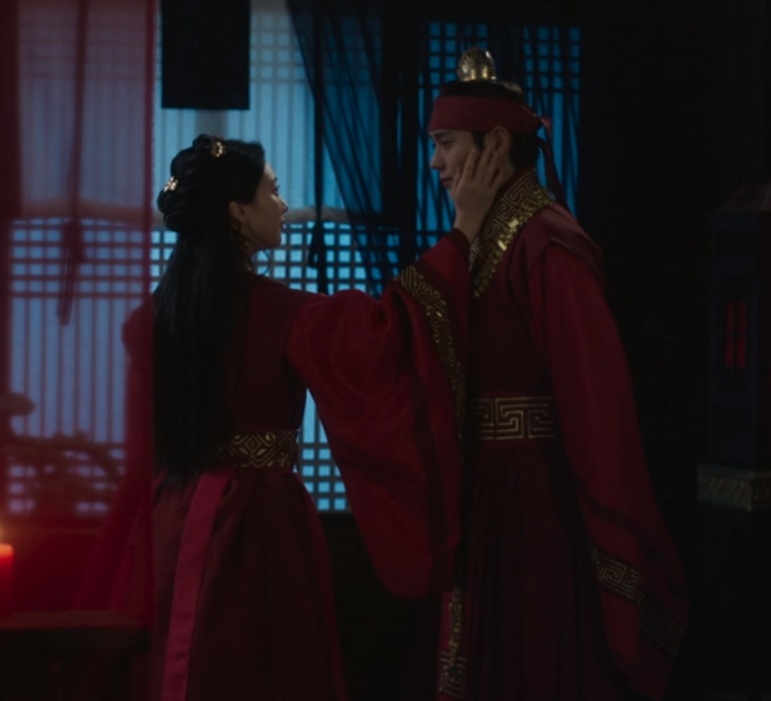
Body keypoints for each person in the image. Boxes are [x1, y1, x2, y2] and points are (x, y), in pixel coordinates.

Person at [142, 133, 502, 700]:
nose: (283, 204)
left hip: (172, 510)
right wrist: (463, 230)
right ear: (238, 212)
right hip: (256, 519)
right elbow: (385, 338)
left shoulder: (158, 312)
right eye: (272, 191)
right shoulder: (280, 310)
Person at [424, 48, 688, 701]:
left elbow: (596, 400)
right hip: (487, 489)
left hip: (533, 499)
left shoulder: (546, 243)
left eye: (446, 144)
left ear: (494, 144)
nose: (435, 163)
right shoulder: (483, 235)